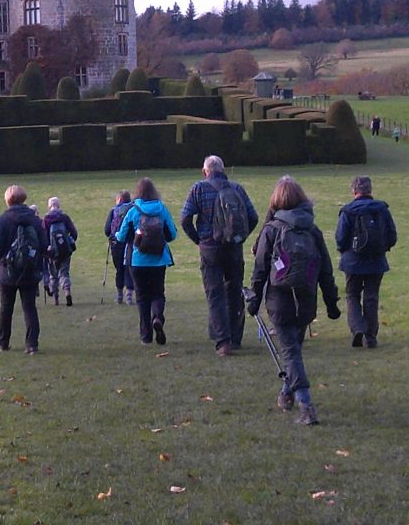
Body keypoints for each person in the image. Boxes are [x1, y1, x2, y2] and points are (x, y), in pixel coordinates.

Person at [247, 176, 340, 426]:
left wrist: (253, 299)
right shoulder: (313, 230)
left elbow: (260, 269)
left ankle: (306, 405)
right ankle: (287, 393)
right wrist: (332, 303)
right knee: (294, 351)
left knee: (291, 353)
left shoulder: (272, 230)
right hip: (306, 301)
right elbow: (326, 270)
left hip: (280, 301)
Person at [180, 155, 259, 356]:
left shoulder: (198, 188)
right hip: (233, 248)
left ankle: (222, 341)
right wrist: (240, 237)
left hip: (210, 248)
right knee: (234, 293)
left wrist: (198, 240)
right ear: (224, 169)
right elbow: (253, 217)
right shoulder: (237, 189)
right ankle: (235, 337)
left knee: (215, 294)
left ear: (205, 171)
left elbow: (185, 219)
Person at [335, 176, 397, 349]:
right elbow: (392, 235)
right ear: (370, 190)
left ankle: (357, 328)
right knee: (371, 297)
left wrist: (345, 252)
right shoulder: (382, 209)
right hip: (376, 261)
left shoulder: (347, 211)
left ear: (354, 191)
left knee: (352, 296)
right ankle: (370, 337)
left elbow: (340, 238)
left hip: (352, 261)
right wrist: (383, 248)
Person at [115, 177, 178, 345]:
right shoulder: (161, 209)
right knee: (158, 294)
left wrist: (118, 236)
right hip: (158, 259)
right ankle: (157, 317)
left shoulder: (133, 210)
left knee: (142, 297)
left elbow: (121, 236)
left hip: (137, 260)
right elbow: (172, 234)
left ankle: (146, 335)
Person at [0, 185, 48, 354]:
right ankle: (32, 344)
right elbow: (44, 245)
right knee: (30, 308)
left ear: (8, 200)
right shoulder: (35, 220)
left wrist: (1, 263)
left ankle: (3, 342)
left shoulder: (3, 220)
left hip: (8, 271)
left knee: (6, 308)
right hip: (30, 271)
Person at [43, 197, 79, 306]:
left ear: (49, 206)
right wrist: (69, 241)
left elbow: (43, 237)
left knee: (53, 276)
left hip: (52, 253)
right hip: (65, 250)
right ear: (58, 205)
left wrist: (46, 249)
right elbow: (74, 233)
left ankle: (56, 299)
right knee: (64, 273)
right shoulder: (64, 218)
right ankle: (67, 293)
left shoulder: (46, 220)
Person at [104, 190, 136, 304]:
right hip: (129, 243)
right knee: (129, 268)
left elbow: (107, 230)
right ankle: (129, 296)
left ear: (120, 199)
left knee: (119, 270)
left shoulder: (113, 211)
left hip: (116, 244)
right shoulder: (133, 209)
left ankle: (119, 296)